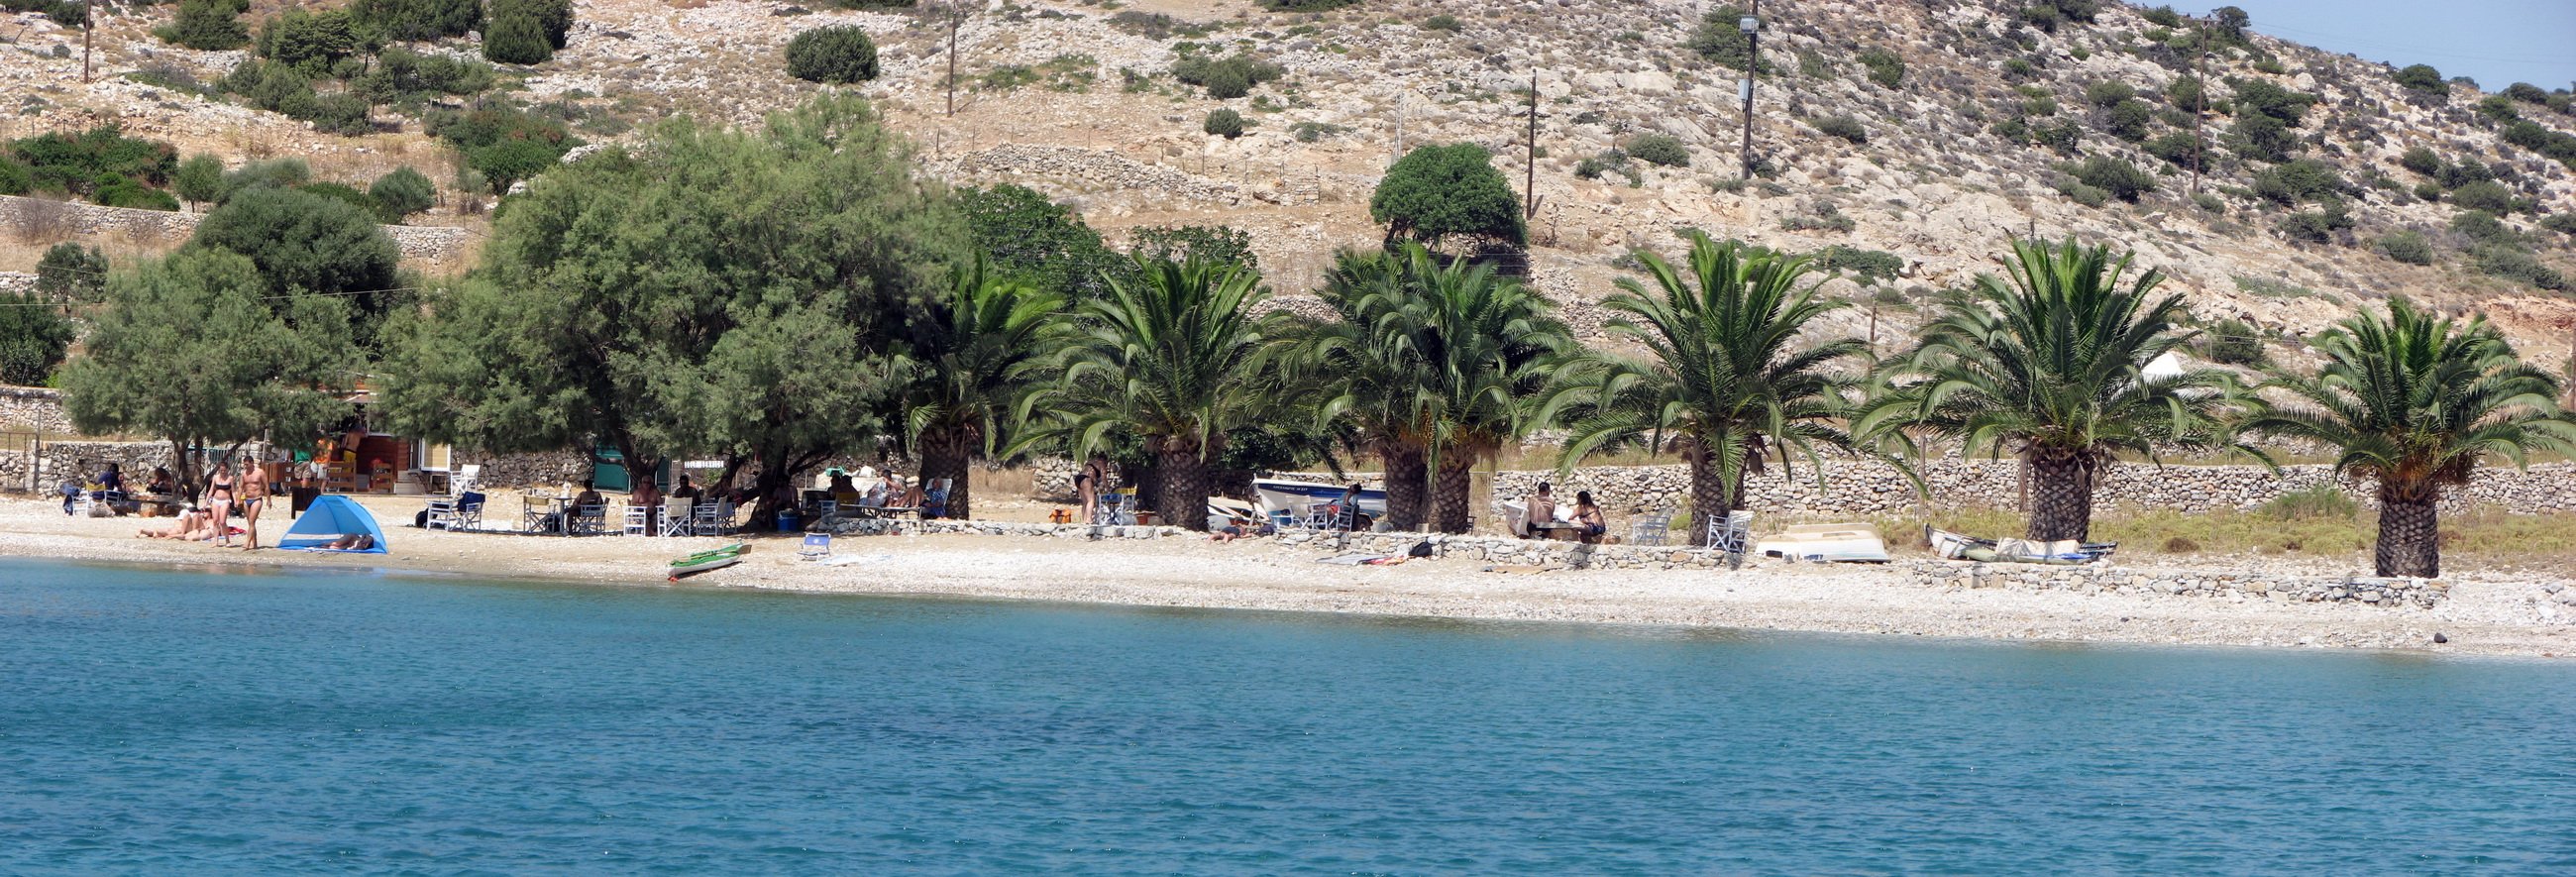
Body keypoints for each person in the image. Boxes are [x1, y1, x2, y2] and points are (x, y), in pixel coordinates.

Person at [238, 461, 269, 550]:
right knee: (250, 523)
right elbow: (240, 487)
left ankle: (247, 543)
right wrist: (238, 499)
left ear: (252, 463)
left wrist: (268, 500)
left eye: (247, 464)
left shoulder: (260, 472)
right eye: (244, 464)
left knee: (251, 521)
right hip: (246, 499)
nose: (245, 466)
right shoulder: (244, 474)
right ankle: (254, 543)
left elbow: (266, 485)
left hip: (257, 499)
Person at [206, 463, 237, 547]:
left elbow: (233, 491)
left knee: (222, 522)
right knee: (215, 521)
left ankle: (227, 540)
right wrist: (206, 501)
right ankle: (216, 541)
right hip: (215, 500)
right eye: (221, 470)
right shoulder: (215, 477)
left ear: (227, 469)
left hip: (225, 500)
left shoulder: (230, 478)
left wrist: (236, 500)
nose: (222, 472)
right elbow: (211, 490)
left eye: (224, 470)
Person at [1076, 456, 1107, 524]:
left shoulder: (1090, 461)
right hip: (1086, 479)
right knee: (1091, 500)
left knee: (1085, 502)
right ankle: (1089, 519)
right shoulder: (1101, 463)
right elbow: (1103, 476)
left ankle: (1084, 520)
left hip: (1078, 478)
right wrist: (1108, 488)